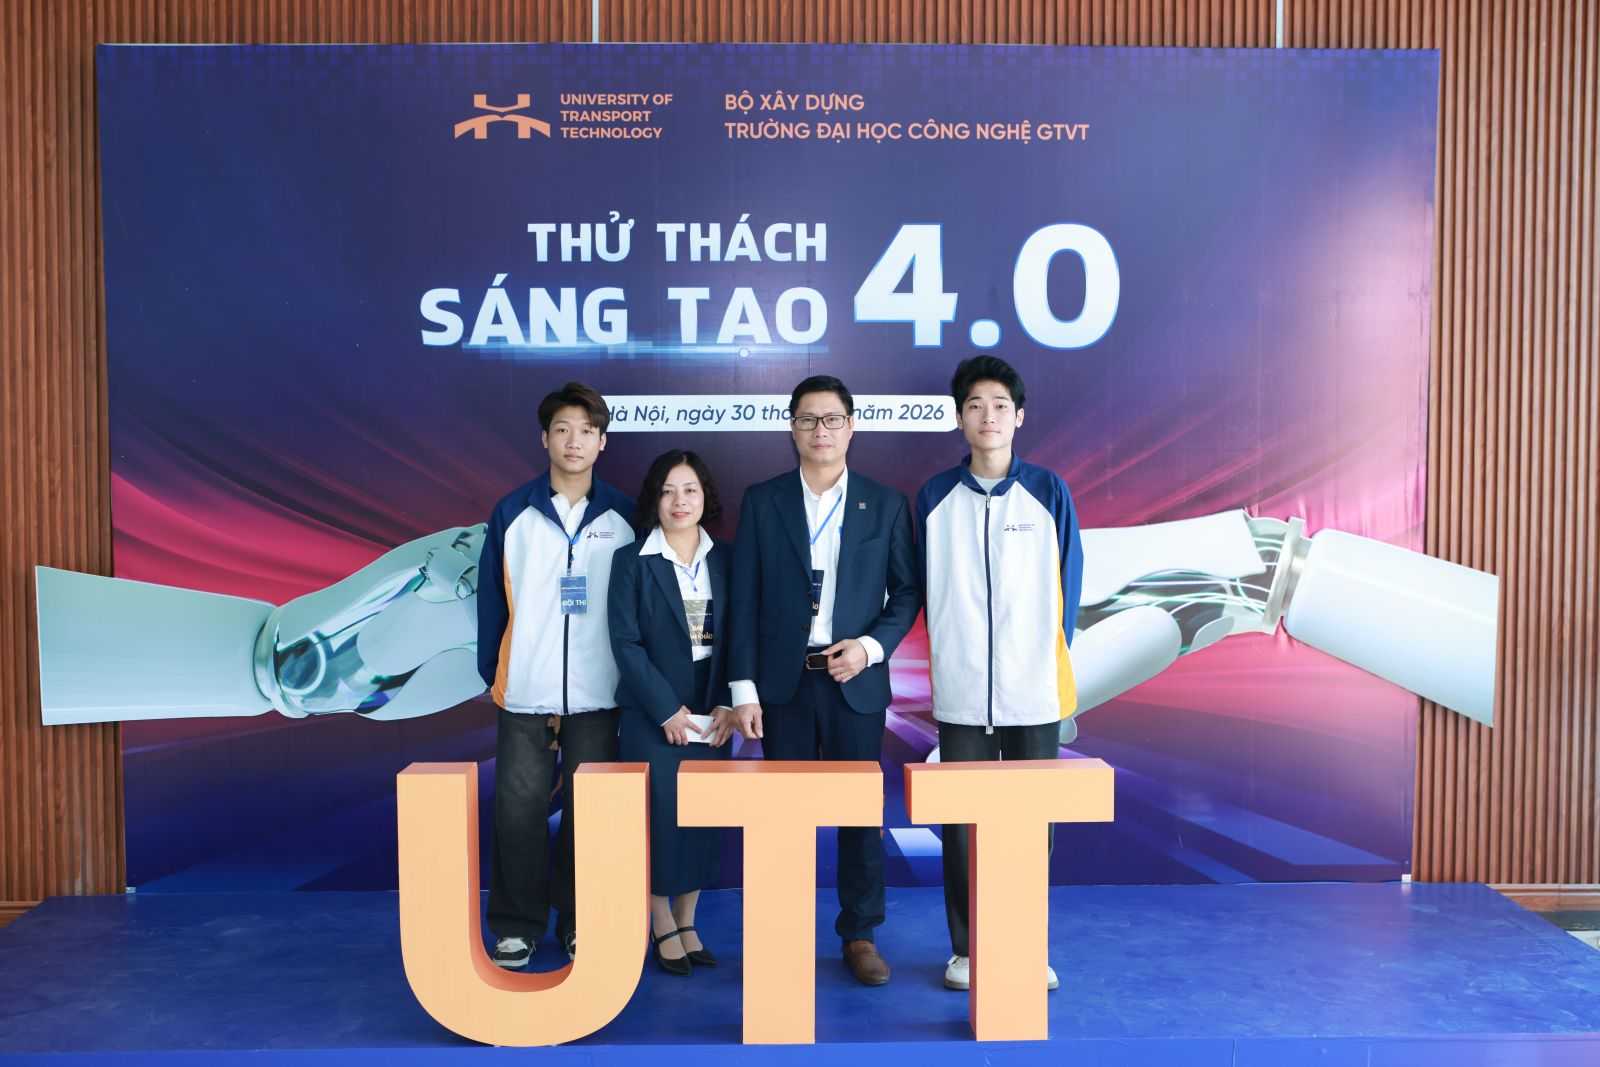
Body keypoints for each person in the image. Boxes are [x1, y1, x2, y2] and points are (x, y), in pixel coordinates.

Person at [728, 374, 922, 987]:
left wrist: (869, 649)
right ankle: (782, 933)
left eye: (832, 419)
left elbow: (907, 592)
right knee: (781, 816)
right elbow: (744, 599)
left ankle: (859, 934)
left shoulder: (884, 503)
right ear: (792, 429)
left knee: (859, 816)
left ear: (851, 426)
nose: (821, 430)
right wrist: (743, 688)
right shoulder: (764, 500)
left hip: (853, 681)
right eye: (808, 419)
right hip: (782, 685)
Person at [914, 355, 1085, 993]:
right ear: (960, 418)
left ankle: (1021, 945)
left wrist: (1042, 659)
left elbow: (1069, 587)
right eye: (975, 405)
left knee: (1031, 825)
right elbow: (923, 588)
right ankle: (966, 950)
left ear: (1020, 416)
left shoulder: (1048, 491)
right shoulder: (934, 497)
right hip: (961, 693)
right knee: (962, 825)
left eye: (1000, 405)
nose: (988, 416)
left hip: (1033, 692)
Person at [475, 382, 636, 969]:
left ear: (602, 442)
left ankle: (577, 920)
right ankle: (516, 926)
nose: (575, 441)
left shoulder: (626, 516)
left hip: (601, 694)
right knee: (517, 814)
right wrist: (497, 673)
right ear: (544, 438)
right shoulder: (512, 512)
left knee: (588, 816)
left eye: (587, 431)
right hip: (525, 692)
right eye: (563, 430)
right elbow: (491, 600)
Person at [608, 450, 738, 976]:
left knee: (700, 820)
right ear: (653, 500)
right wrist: (664, 708)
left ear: (705, 497)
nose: (679, 501)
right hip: (653, 711)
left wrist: (728, 700)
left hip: (713, 711)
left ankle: (688, 922)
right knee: (658, 819)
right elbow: (625, 642)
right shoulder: (631, 560)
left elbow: (741, 634)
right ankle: (660, 921)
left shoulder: (727, 559)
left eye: (689, 490)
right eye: (667, 491)